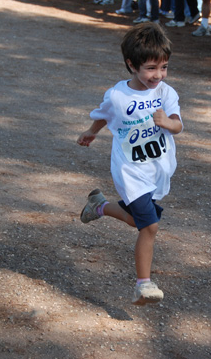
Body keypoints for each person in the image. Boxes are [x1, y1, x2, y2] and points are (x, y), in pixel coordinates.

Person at [77, 22, 183, 306]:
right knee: (150, 226)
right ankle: (143, 284)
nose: (157, 75)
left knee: (139, 220)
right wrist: (92, 131)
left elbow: (179, 124)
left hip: (157, 168)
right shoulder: (118, 95)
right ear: (131, 65)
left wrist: (168, 123)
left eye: (163, 67)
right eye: (150, 68)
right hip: (130, 171)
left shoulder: (165, 93)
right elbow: (104, 113)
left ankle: (98, 206)